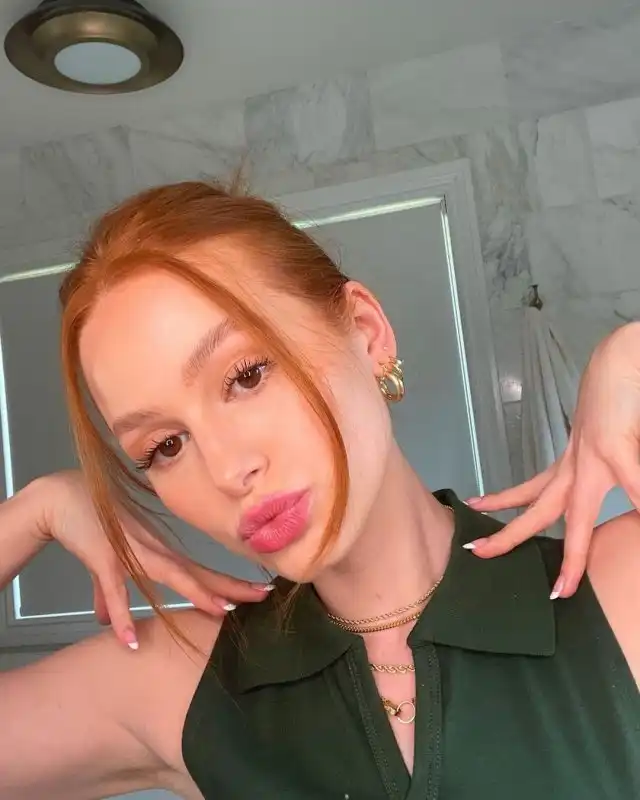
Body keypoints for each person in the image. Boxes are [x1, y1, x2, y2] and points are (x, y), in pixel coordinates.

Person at [0, 181, 638, 800]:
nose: (227, 470)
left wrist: (627, 353)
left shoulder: (616, 591)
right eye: (165, 446)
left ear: (366, 331)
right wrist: (37, 511)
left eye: (247, 375)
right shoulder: (184, 683)